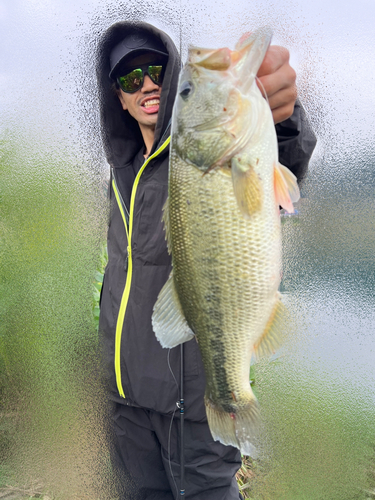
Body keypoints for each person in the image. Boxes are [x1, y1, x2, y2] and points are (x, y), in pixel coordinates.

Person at [97, 21, 316, 500]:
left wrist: (284, 115)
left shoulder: (202, 155)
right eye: (130, 79)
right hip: (125, 404)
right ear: (118, 97)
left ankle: (234, 398)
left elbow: (288, 158)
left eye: (156, 71)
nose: (146, 84)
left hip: (191, 405)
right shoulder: (122, 172)